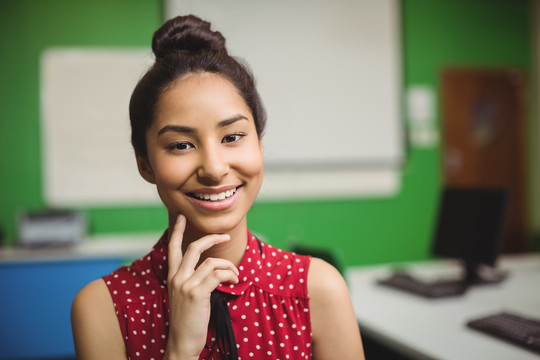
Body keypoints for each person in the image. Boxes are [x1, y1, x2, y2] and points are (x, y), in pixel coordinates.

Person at [71, 14, 365, 360]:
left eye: (233, 137)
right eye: (181, 144)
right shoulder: (103, 307)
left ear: (259, 146)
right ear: (145, 164)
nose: (213, 168)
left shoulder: (317, 290)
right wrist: (180, 349)